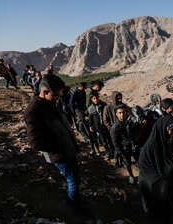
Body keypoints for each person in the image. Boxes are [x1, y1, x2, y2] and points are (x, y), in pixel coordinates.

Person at [23, 74, 81, 209]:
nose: (58, 98)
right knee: (73, 181)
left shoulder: (49, 103)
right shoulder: (33, 111)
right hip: (60, 154)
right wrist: (60, 147)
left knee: (75, 178)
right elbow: (35, 143)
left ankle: (72, 201)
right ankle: (74, 208)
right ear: (44, 92)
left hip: (67, 149)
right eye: (56, 95)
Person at [138, 114, 173, 224]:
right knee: (164, 194)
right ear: (164, 128)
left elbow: (168, 158)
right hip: (150, 177)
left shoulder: (162, 141)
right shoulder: (152, 145)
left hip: (157, 173)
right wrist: (172, 171)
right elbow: (161, 167)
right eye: (172, 129)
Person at [110, 104, 136, 184]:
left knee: (139, 161)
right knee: (128, 162)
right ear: (116, 114)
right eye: (120, 113)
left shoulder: (130, 122)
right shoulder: (115, 128)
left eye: (124, 112)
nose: (122, 115)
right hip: (125, 149)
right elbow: (115, 143)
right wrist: (121, 152)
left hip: (134, 146)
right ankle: (131, 175)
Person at [87, 92, 111, 159]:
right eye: (94, 98)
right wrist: (90, 126)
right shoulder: (91, 108)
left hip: (106, 125)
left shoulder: (104, 105)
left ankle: (113, 151)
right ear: (92, 99)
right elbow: (90, 118)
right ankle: (107, 152)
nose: (96, 100)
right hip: (98, 127)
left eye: (97, 98)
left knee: (109, 139)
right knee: (103, 141)